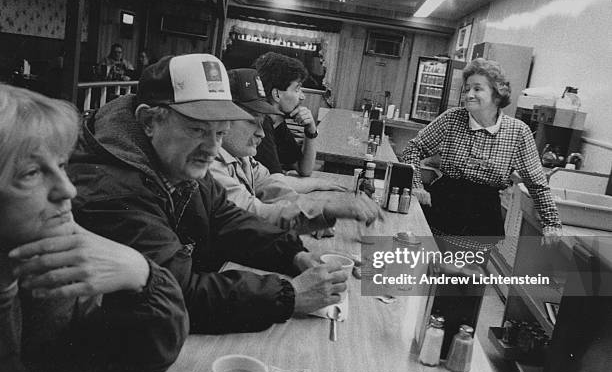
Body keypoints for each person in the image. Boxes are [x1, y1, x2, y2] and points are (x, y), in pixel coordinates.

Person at [68, 54, 349, 335]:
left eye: (220, 133)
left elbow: (227, 220)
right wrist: (290, 295)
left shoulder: (175, 159)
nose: (213, 149)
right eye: (198, 130)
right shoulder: (113, 188)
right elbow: (179, 291)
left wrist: (293, 255)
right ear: (149, 121)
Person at [0, 84, 188, 372]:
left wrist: (143, 275)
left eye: (61, 166)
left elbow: (107, 368)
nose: (68, 190)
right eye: (31, 173)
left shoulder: (39, 259)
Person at [401, 57, 562, 250]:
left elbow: (537, 182)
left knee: (467, 276)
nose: (469, 94)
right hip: (440, 211)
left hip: (482, 220)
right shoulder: (452, 119)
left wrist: (551, 223)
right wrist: (417, 186)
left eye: (477, 89)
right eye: (467, 88)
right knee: (426, 270)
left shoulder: (518, 132)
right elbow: (413, 149)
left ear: (497, 93)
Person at [210, 68, 384, 234]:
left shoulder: (242, 157)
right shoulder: (211, 165)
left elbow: (275, 189)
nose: (261, 132)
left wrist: (319, 212)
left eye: (261, 121)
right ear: (223, 117)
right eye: (251, 121)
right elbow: (250, 212)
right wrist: (325, 208)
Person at [253, 52, 318, 179]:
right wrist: (321, 184)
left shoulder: (277, 122)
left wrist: (311, 131)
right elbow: (276, 183)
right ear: (277, 95)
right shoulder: (261, 124)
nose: (302, 96)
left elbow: (304, 169)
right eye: (297, 89)